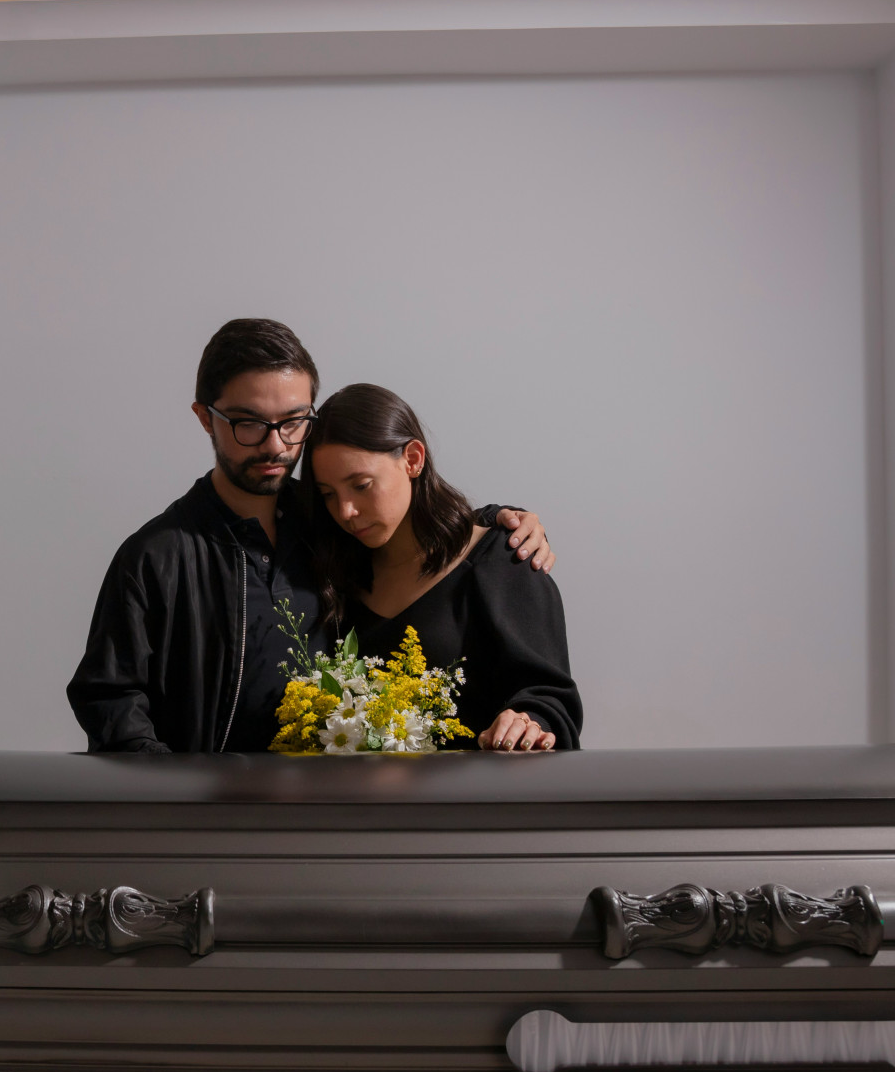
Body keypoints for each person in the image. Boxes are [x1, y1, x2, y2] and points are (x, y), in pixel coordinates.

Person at [67, 318, 555, 753]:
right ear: (204, 418)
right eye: (248, 424)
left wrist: (497, 523)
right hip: (213, 816)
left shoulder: (330, 525)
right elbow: (110, 700)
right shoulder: (155, 558)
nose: (275, 444)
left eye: (294, 422)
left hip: (336, 812)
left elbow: (411, 518)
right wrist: (177, 800)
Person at [307, 383, 581, 751]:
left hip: (484, 784)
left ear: (413, 459)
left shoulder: (500, 558)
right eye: (328, 494)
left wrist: (527, 720)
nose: (345, 511)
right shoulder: (335, 578)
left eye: (361, 485)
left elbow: (550, 696)